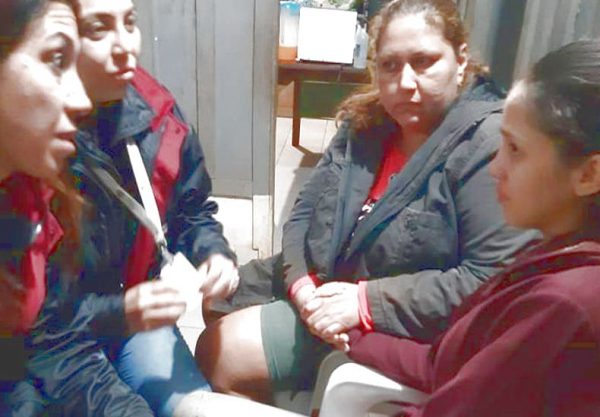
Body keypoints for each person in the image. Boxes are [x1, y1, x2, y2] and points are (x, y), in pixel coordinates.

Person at [196, 0, 537, 402]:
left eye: (424, 62)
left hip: (397, 317)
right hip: (322, 282)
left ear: (460, 61)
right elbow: (303, 212)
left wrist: (363, 302)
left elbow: (490, 278)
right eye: (390, 65)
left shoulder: (486, 146)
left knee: (222, 351)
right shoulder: (367, 123)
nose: (405, 82)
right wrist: (301, 285)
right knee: (217, 299)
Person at [345, 39, 600, 417]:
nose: (495, 168)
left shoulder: (563, 306)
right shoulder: (554, 254)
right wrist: (350, 337)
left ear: (589, 174)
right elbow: (446, 364)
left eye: (515, 150)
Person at [61, 0, 239, 416]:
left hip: (133, 319)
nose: (125, 46)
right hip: (56, 337)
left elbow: (191, 208)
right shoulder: (28, 141)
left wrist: (213, 253)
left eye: (130, 22)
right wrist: (117, 312)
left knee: (194, 408)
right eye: (98, 28)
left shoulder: (157, 113)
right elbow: (35, 326)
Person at [0, 1, 152, 415]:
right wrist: (120, 312)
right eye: (55, 59)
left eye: (131, 23)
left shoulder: (32, 197)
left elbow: (53, 340)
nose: (81, 99)